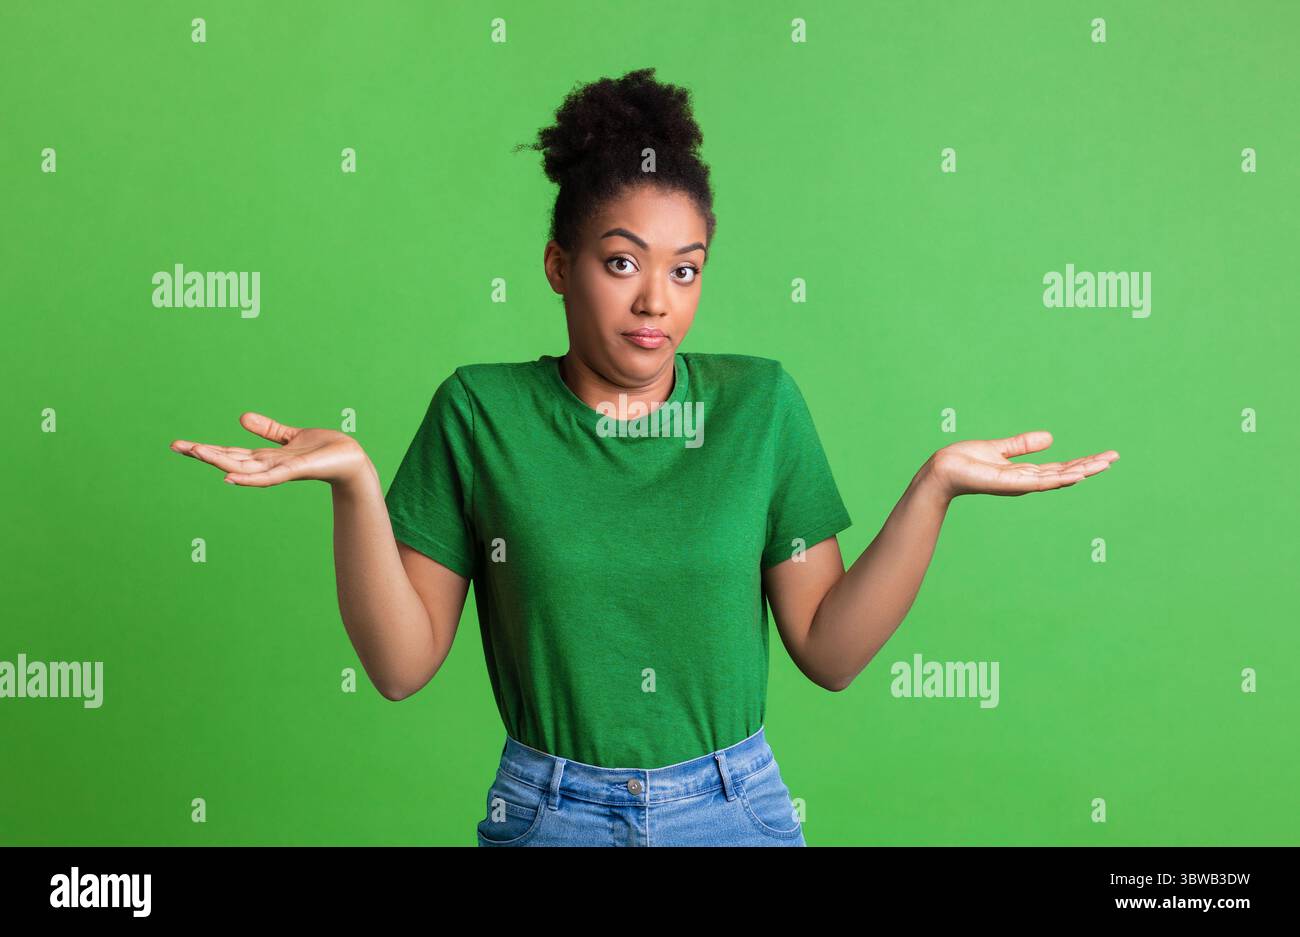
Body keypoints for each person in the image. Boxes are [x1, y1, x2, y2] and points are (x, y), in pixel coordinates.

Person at [169, 67, 1118, 847]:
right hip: (546, 811)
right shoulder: (480, 412)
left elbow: (828, 650)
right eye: (622, 262)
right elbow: (399, 664)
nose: (656, 299)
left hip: (734, 807)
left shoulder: (760, 406)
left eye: (686, 267)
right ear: (558, 265)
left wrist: (934, 489)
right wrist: (355, 490)